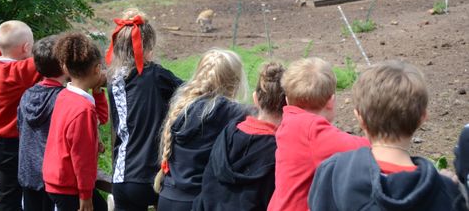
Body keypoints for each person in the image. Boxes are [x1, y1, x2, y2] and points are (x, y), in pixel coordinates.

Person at [309, 60, 467, 211]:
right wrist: (447, 186)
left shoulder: (333, 173)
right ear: (422, 118)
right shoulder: (446, 193)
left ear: (359, 118)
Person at [18, 35, 109, 211]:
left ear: (66, 67)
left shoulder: (63, 96)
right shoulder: (82, 108)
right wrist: (85, 195)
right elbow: (82, 159)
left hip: (47, 176)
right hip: (68, 184)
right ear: (97, 69)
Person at [154, 48, 250, 211]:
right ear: (234, 81)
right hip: (199, 202)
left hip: (168, 198)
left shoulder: (183, 106)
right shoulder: (230, 111)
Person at [268, 57, 369, 211]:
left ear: (287, 100)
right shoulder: (311, 130)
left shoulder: (290, 122)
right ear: (331, 101)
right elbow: (364, 149)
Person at [106, 8, 183, 211]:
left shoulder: (113, 80)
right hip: (152, 177)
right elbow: (189, 92)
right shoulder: (157, 76)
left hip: (121, 178)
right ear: (149, 47)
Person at [193, 62, 286, 211]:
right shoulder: (280, 150)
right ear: (288, 104)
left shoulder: (227, 135)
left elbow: (207, 189)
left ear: (255, 99)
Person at [0, 20, 41, 211]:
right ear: (26, 47)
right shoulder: (19, 71)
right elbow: (49, 56)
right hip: (13, 142)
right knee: (22, 192)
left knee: (7, 191)